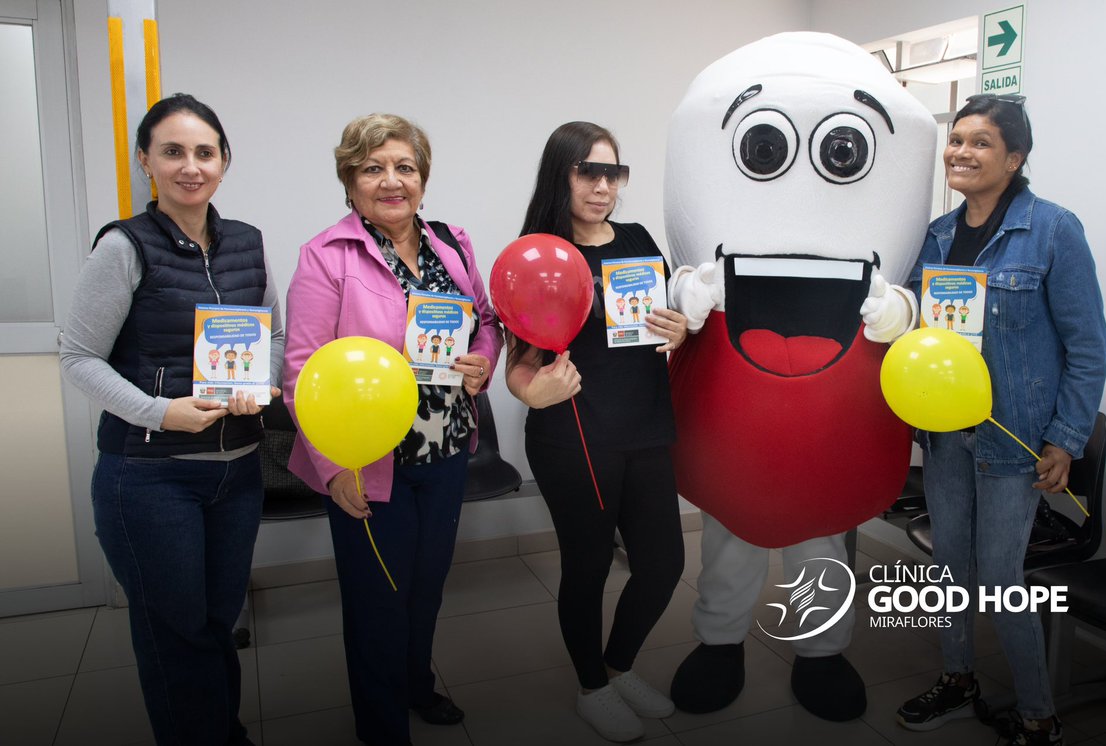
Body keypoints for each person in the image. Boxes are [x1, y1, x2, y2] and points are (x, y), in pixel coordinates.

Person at [59, 93, 284, 745]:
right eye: (173, 152)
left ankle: (223, 732)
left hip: (237, 474)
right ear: (146, 160)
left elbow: (271, 334)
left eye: (205, 153)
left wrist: (261, 384)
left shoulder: (246, 241)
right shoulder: (125, 246)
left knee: (218, 625)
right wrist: (161, 412)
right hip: (150, 480)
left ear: (224, 162)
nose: (191, 166)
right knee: (175, 634)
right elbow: (77, 357)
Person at [885, 94, 1106, 746]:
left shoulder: (1053, 230)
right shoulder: (936, 236)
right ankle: (959, 679)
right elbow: (913, 330)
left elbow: (1087, 345)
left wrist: (1066, 439)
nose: (961, 152)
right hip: (948, 437)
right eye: (956, 140)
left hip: (1016, 441)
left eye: (980, 142)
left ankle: (1040, 715)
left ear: (1015, 157)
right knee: (949, 568)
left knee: (1002, 580)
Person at [283, 113, 501, 746]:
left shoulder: (452, 243)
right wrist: (332, 467)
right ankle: (381, 727)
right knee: (378, 602)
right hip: (368, 460)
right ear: (349, 180)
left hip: (447, 448)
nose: (391, 180)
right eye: (373, 167)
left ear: (423, 178)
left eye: (404, 166)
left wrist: (482, 359)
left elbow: (484, 321)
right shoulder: (327, 255)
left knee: (427, 588)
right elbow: (302, 373)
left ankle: (414, 685)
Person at [505, 122, 688, 743]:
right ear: (562, 174)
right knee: (586, 569)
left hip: (645, 426)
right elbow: (519, 364)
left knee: (663, 564)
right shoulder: (540, 252)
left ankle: (619, 665)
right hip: (573, 433)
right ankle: (593, 687)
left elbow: (658, 326)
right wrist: (531, 389)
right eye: (589, 171)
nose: (603, 185)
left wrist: (677, 330)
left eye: (614, 173)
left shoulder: (637, 240)